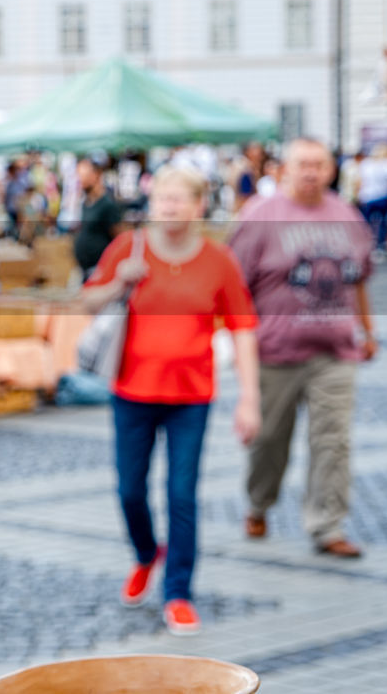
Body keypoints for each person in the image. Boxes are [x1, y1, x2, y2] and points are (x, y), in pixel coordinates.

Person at [82, 165, 260, 636]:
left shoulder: (219, 260)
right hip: (132, 392)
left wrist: (250, 399)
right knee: (129, 491)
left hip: (191, 397)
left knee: (181, 495)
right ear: (152, 203)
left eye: (181, 199)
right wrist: (120, 281)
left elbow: (243, 329)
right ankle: (146, 554)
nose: (171, 207)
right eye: (164, 198)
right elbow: (86, 303)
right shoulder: (128, 248)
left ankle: (178, 592)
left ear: (200, 206)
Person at [230, 138, 376, 559]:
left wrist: (369, 331)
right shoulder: (260, 216)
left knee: (334, 441)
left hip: (335, 351)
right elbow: (234, 285)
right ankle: (259, 502)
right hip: (274, 351)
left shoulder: (346, 215)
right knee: (270, 440)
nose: (311, 172)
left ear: (331, 170)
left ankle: (327, 525)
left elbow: (359, 280)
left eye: (319, 164)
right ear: (284, 170)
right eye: (303, 164)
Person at [73, 157, 123, 279]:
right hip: (84, 269)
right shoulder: (86, 202)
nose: (80, 180)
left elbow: (118, 237)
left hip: (99, 269)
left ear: (96, 175)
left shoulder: (107, 204)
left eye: (84, 176)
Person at [357, 143, 387, 256]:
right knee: (383, 222)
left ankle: (366, 243)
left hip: (367, 196)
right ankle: (380, 244)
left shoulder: (365, 164)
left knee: (366, 222)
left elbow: (360, 181)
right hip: (383, 195)